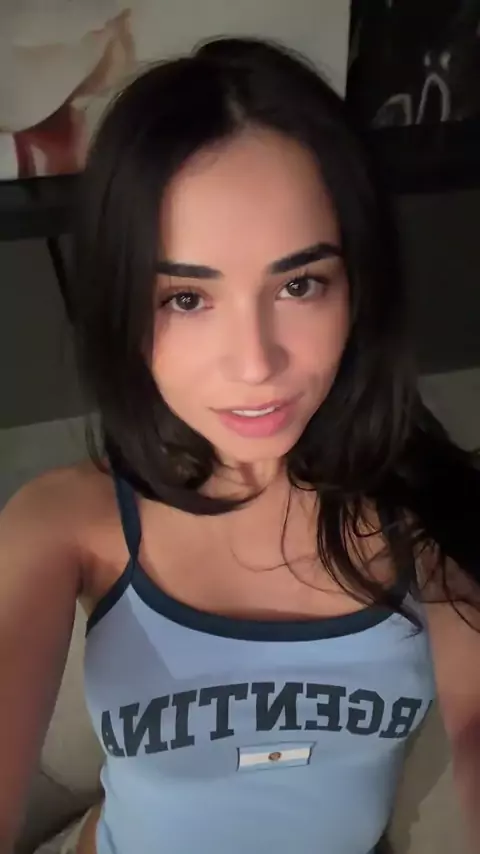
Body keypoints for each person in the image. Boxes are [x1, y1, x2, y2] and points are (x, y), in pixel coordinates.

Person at [1, 36, 480, 854]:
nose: (256, 363)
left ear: (358, 286)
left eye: (299, 284)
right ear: (121, 306)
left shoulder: (427, 518)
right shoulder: (64, 523)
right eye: (187, 298)